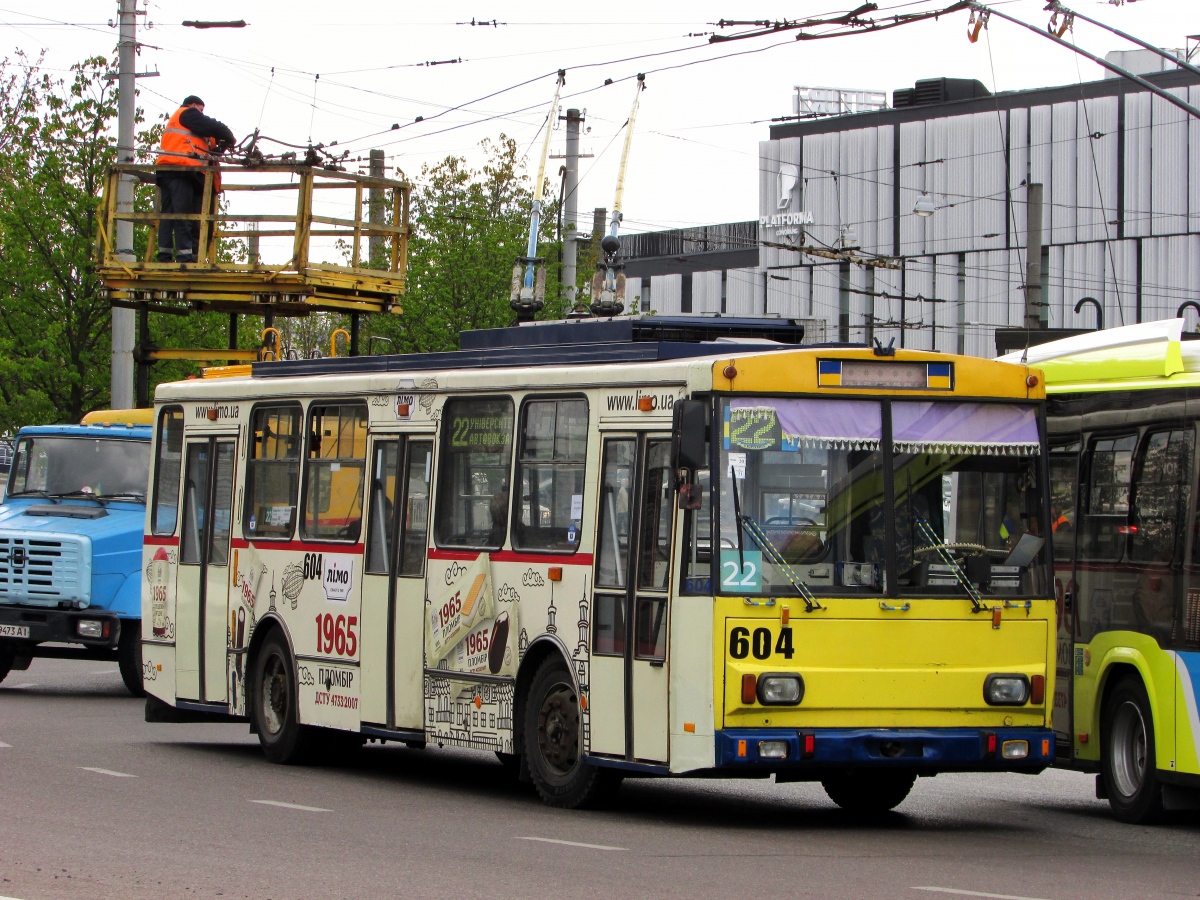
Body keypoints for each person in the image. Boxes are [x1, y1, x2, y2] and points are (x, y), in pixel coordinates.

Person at [156, 96, 236, 263]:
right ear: (192, 105)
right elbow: (213, 125)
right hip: (182, 170)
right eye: (200, 109)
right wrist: (229, 135)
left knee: (170, 215)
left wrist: (222, 144)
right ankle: (185, 257)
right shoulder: (187, 113)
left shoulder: (193, 128)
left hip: (172, 171)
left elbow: (211, 150)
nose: (201, 113)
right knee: (183, 216)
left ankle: (165, 255)